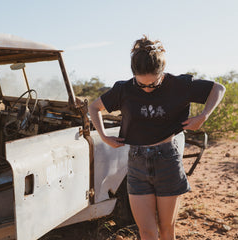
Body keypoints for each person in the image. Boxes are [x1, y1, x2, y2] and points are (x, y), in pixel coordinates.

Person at [88, 35, 226, 240]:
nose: (146, 88)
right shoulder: (124, 89)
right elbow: (93, 107)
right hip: (136, 163)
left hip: (167, 160)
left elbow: (218, 88)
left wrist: (203, 116)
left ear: (162, 73)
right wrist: (104, 136)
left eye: (152, 84)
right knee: (146, 231)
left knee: (166, 230)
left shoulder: (179, 85)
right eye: (140, 83)